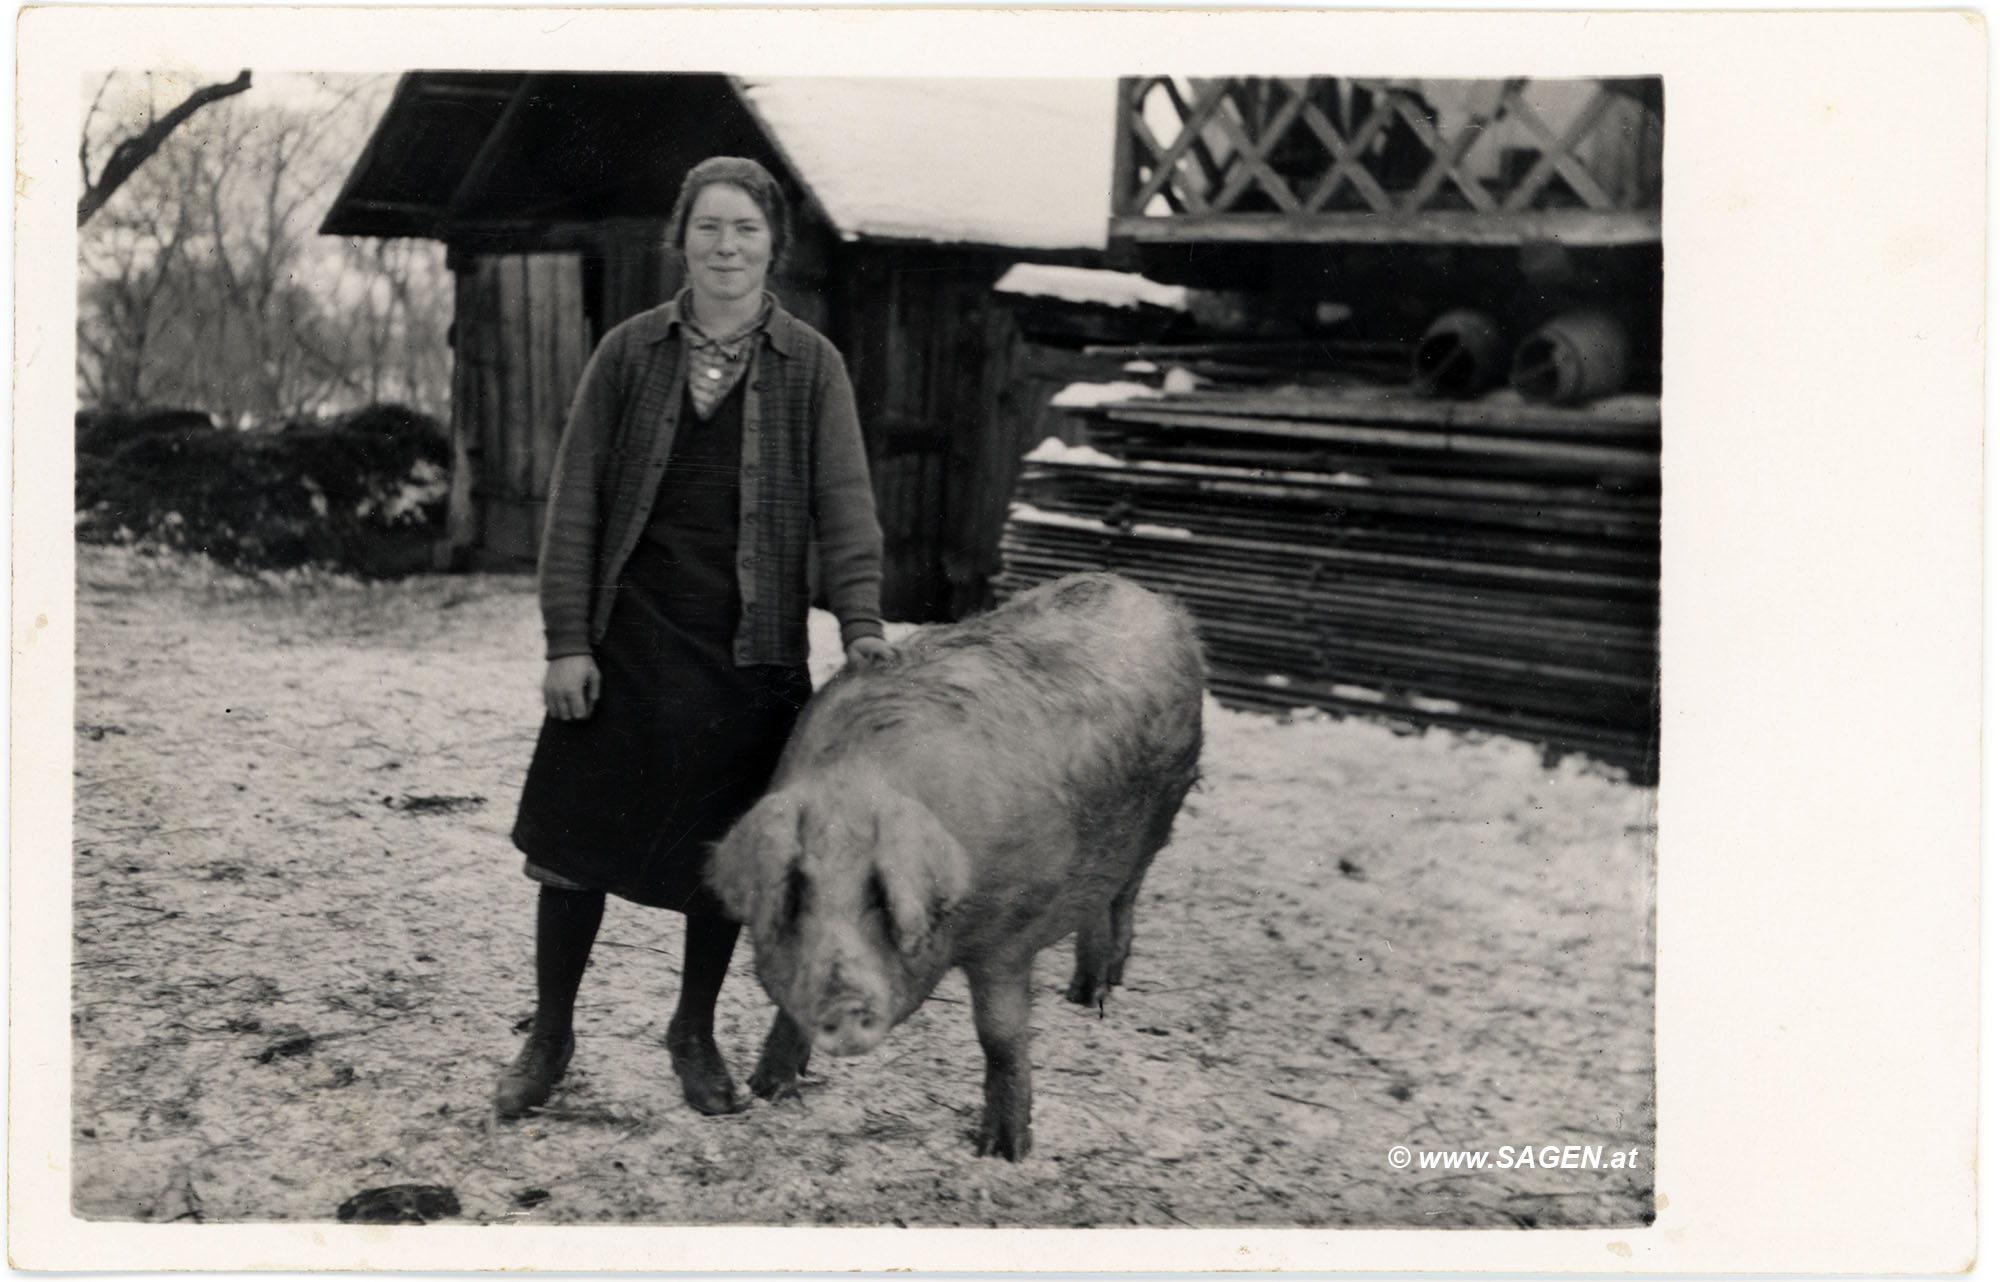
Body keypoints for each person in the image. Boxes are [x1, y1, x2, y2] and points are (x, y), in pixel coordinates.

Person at [497, 156, 893, 1119]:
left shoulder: (814, 369)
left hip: (748, 656)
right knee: (573, 849)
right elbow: (576, 506)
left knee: (727, 862)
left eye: (746, 230)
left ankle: (693, 1029)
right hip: (626, 644)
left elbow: (846, 509)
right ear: (682, 238)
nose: (726, 246)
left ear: (774, 247)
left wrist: (863, 626)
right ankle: (550, 1036)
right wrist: (566, 645)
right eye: (709, 227)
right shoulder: (629, 355)